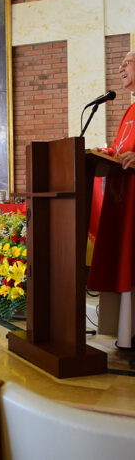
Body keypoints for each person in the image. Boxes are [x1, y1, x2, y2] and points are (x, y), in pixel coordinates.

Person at [88, 50, 135, 349]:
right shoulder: (130, 111)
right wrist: (108, 155)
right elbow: (123, 151)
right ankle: (128, 333)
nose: (120, 69)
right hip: (125, 200)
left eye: (127, 63)